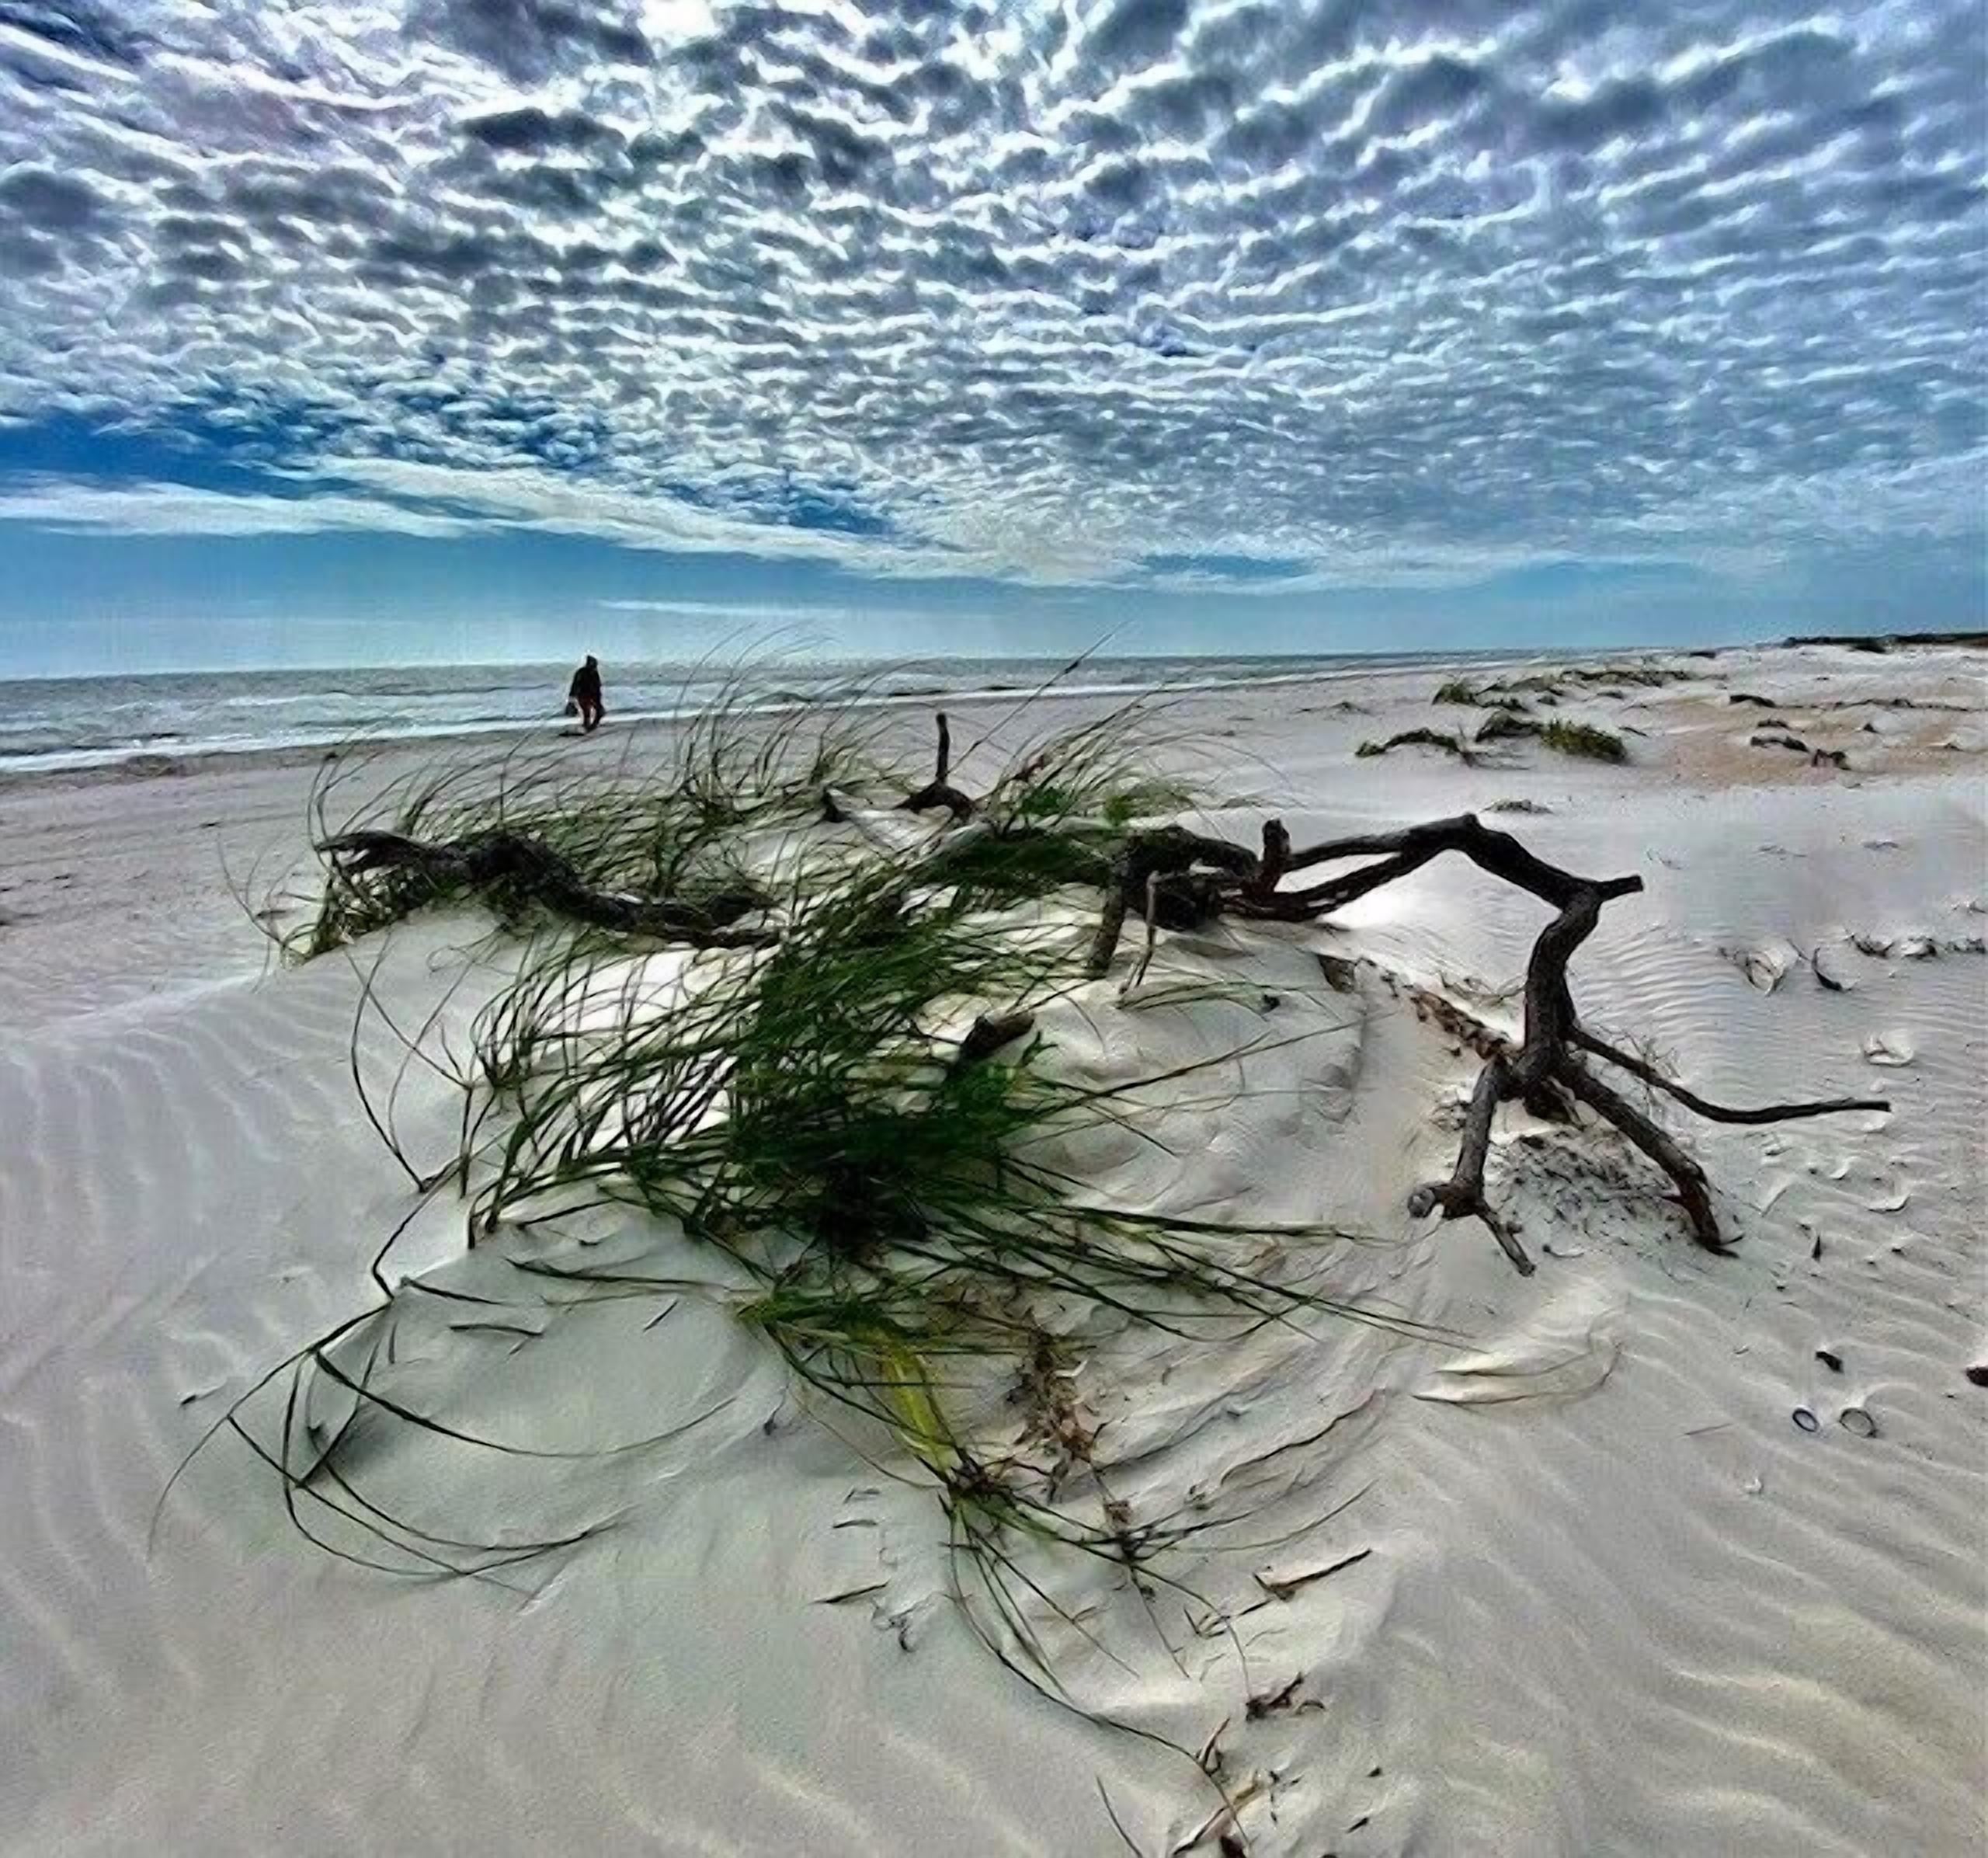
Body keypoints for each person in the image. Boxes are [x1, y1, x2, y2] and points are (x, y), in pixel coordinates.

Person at [566, 654, 604, 733]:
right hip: (587, 695)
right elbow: (597, 686)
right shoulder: (589, 672)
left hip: (586, 695)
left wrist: (572, 696)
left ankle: (589, 726)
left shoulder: (583, 672)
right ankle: (590, 726)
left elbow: (575, 684)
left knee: (589, 712)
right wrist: (572, 696)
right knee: (592, 712)